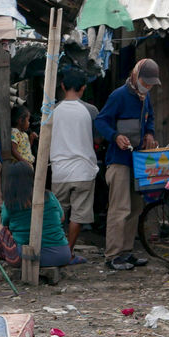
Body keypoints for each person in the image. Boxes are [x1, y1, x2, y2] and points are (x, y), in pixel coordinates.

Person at [95, 58, 160, 271]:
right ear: (135, 75)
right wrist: (115, 136)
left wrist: (149, 133)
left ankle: (126, 251)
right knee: (119, 208)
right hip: (119, 161)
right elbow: (101, 121)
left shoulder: (145, 97)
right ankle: (112, 255)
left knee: (135, 207)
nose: (148, 86)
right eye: (146, 82)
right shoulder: (118, 96)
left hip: (138, 160)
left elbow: (149, 120)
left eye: (151, 84)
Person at [0, 162, 71, 281]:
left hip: (30, 256)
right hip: (62, 255)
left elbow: (5, 223)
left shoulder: (10, 203)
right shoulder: (49, 195)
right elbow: (62, 217)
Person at [50, 68, 99, 263]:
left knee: (57, 213)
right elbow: (98, 137)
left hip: (59, 171)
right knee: (78, 214)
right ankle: (68, 252)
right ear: (84, 88)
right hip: (84, 170)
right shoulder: (90, 110)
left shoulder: (53, 111)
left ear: (62, 86)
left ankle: (55, 250)